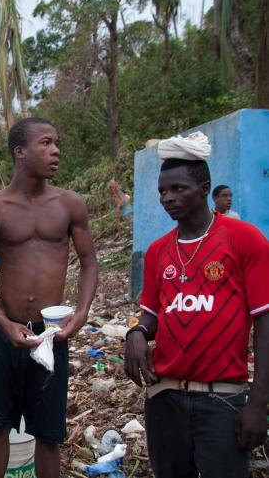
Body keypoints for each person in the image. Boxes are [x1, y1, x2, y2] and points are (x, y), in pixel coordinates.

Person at [124, 132, 269, 478]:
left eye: (178, 189)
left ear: (205, 189)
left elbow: (264, 323)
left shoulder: (244, 239)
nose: (167, 198)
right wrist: (137, 333)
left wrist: (259, 403)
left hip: (222, 399)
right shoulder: (158, 251)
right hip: (165, 398)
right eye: (162, 191)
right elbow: (152, 315)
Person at [0, 117, 98, 478]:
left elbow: (89, 263)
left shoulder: (70, 204)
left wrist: (82, 312)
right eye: (46, 143)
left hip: (51, 333)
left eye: (56, 143)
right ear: (20, 152)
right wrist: (3, 322)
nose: (55, 150)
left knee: (48, 433)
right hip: (3, 333)